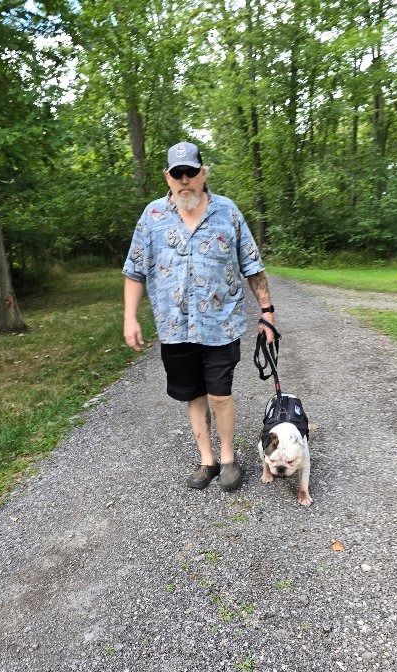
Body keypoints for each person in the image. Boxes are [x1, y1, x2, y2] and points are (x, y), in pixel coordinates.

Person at [123, 141, 275, 491]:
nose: (185, 179)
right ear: (167, 177)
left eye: (191, 172)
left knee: (220, 394)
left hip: (221, 325)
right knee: (193, 394)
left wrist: (267, 311)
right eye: (177, 174)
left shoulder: (228, 212)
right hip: (174, 328)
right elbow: (134, 271)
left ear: (203, 173)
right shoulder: (152, 217)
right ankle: (206, 460)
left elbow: (252, 265)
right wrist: (130, 318)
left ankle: (228, 459)